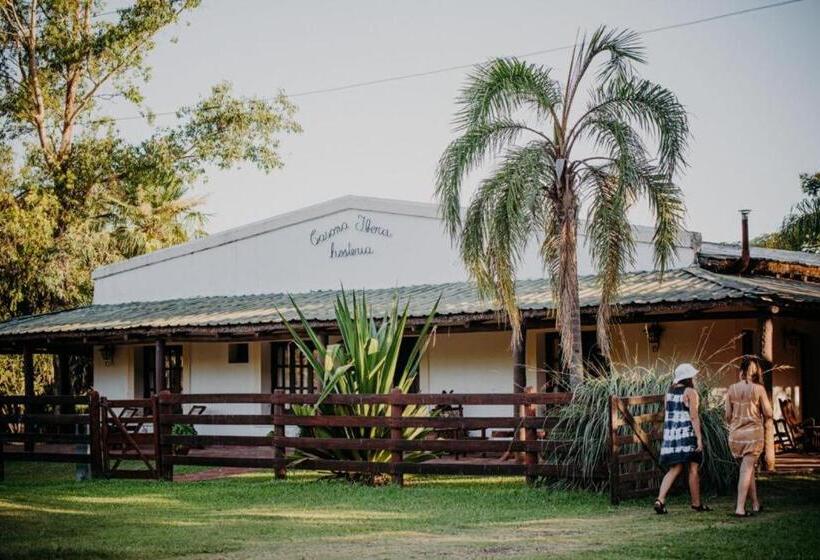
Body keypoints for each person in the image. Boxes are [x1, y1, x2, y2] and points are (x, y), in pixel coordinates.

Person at [654, 363, 710, 514]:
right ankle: (696, 503)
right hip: (687, 434)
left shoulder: (669, 393)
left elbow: (669, 414)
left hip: (672, 436)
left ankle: (660, 499)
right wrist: (698, 438)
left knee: (674, 468)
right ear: (688, 378)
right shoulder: (690, 392)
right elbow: (694, 416)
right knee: (693, 469)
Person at [725, 355, 773, 517]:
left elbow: (728, 415)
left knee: (748, 469)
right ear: (754, 372)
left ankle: (755, 504)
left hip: (736, 436)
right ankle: (740, 508)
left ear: (741, 371)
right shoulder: (758, 389)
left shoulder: (732, 389)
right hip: (752, 435)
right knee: (746, 470)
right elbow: (769, 413)